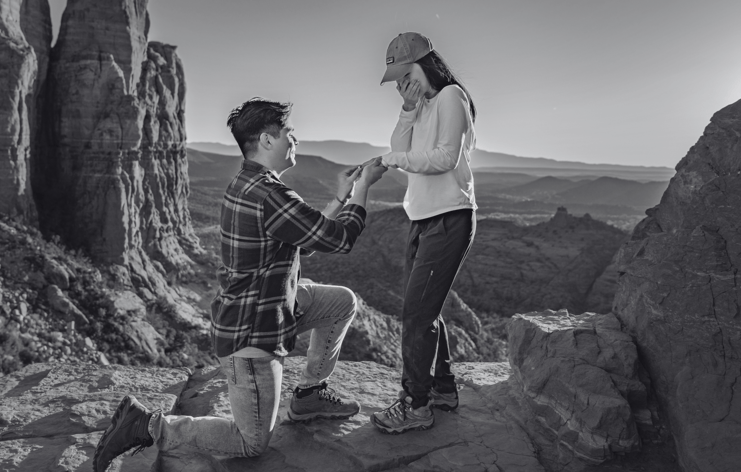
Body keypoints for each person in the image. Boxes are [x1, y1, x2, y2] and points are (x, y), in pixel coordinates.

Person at [93, 98, 388, 470]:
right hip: (252, 337)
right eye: (289, 134)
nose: (295, 140)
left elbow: (306, 239)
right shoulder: (269, 194)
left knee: (341, 302)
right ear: (267, 140)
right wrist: (363, 189)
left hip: (274, 309)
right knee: (250, 443)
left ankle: (310, 393)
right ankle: (149, 425)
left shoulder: (251, 183)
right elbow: (339, 240)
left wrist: (341, 195)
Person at [368, 32, 479, 435]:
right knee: (424, 311)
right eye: (396, 78)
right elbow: (400, 144)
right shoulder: (424, 105)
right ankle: (444, 389)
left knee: (415, 315)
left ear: (423, 64)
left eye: (403, 73)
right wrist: (408, 109)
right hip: (422, 220)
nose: (400, 82)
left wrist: (388, 159)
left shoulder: (451, 97)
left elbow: (445, 158)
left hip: (450, 219)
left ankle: (416, 406)